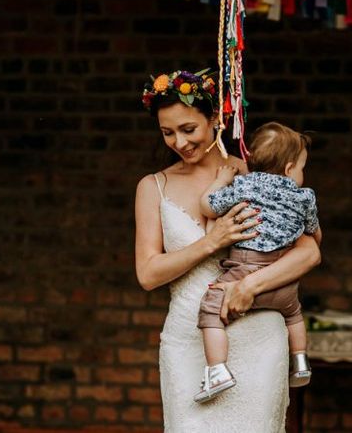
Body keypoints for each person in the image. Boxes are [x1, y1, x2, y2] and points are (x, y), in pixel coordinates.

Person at [134, 69, 321, 433]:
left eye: (188, 129)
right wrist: (212, 242)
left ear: (215, 119)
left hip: (258, 333)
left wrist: (249, 286)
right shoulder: (152, 187)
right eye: (167, 132)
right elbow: (148, 274)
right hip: (189, 341)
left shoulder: (250, 173)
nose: (179, 142)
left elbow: (310, 252)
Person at [194, 121, 322, 403]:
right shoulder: (304, 196)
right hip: (284, 283)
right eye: (302, 168)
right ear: (290, 169)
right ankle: (300, 362)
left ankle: (217, 371)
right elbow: (314, 232)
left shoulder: (244, 186)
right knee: (294, 314)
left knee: (211, 308)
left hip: (245, 269)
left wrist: (221, 180)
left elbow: (208, 204)